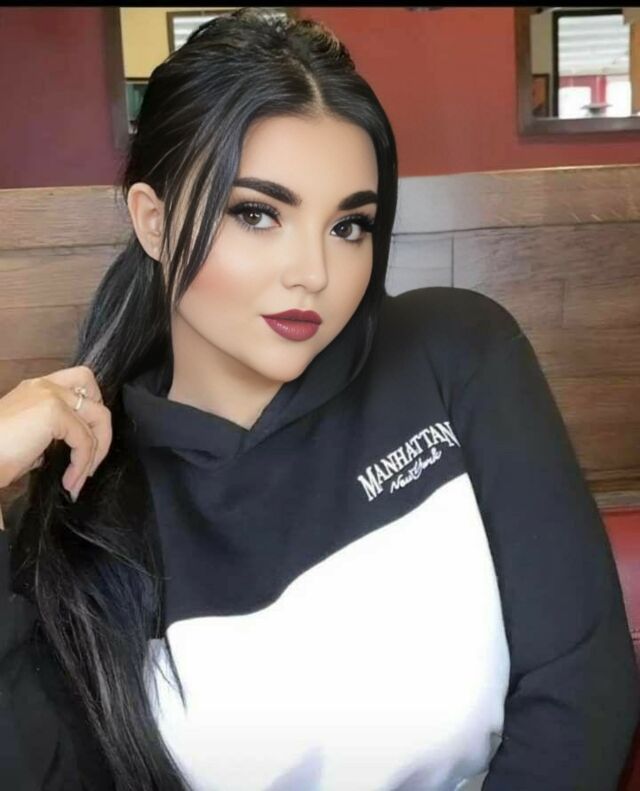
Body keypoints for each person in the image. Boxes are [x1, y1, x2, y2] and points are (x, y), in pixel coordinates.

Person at [0, 7, 638, 791]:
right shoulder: (83, 506)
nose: (314, 272)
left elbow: (583, 686)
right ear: (154, 222)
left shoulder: (455, 354)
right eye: (258, 213)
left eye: (349, 226)